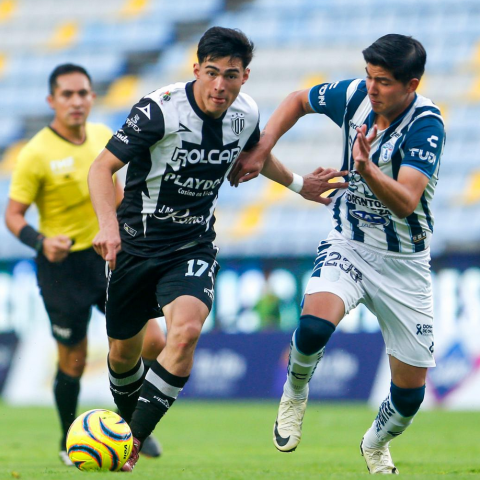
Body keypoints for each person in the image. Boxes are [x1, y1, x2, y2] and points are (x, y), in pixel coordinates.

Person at [88, 26, 347, 472]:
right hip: (133, 247)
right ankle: (128, 424)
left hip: (192, 245)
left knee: (185, 332)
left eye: (231, 75)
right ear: (196, 70)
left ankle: (131, 441)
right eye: (212, 73)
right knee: (122, 354)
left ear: (245, 76)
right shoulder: (159, 110)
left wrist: (301, 185)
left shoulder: (245, 112)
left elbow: (256, 154)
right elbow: (101, 166)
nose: (220, 86)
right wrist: (108, 228)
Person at [228, 34, 445, 474]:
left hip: (405, 266)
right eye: (369, 76)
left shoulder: (426, 125)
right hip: (350, 240)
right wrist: (263, 146)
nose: (371, 88)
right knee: (311, 327)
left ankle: (375, 441)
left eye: (383, 81)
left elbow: (405, 200)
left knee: (409, 397)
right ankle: (294, 392)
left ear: (411, 84)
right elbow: (297, 99)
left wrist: (365, 169)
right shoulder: (355, 96)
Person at [5, 64, 166, 466]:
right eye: (68, 94)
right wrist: (41, 241)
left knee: (153, 342)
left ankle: (134, 429)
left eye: (83, 94)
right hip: (63, 268)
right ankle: (67, 437)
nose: (77, 101)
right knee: (72, 356)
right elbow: (13, 215)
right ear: (52, 101)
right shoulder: (35, 153)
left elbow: (115, 192)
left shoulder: (102, 138)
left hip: (109, 254)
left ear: (93, 97)